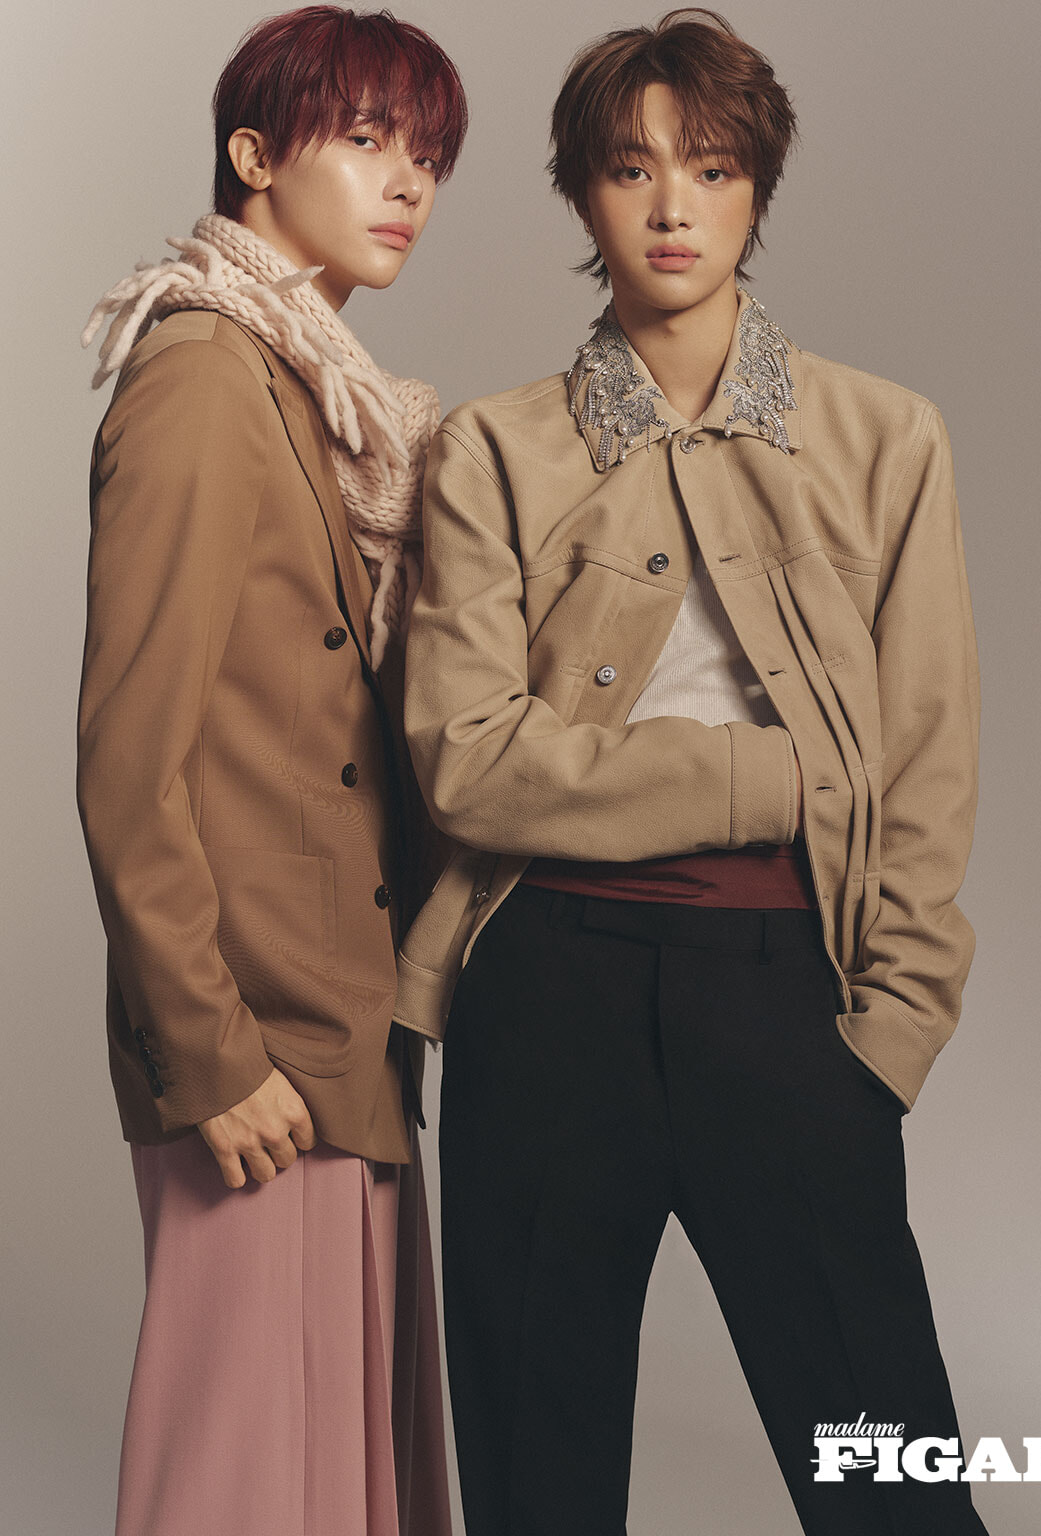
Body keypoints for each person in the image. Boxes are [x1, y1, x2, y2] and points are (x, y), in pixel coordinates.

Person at [396, 7, 987, 1535]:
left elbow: (926, 758)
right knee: (539, 1488)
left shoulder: (886, 440)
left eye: (712, 169)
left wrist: (896, 1029)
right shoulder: (493, 452)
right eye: (632, 168)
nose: (673, 206)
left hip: (788, 997)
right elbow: (469, 763)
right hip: (543, 992)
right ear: (582, 195)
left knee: (890, 1480)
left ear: (757, 189)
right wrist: (761, 781)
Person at [76, 8, 465, 1534]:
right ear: (253, 154)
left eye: (426, 155)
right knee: (239, 1483)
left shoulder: (315, 393)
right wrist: (212, 1053)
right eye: (366, 140)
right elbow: (131, 760)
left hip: (340, 1031)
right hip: (257, 1045)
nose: (407, 183)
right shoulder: (201, 373)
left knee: (336, 1480)